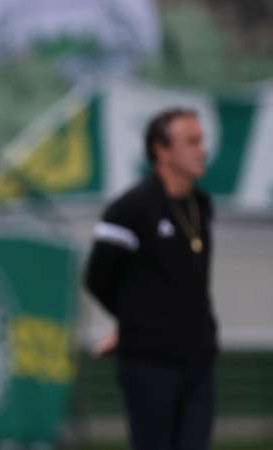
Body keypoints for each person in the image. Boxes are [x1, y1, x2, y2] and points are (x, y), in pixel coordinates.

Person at [84, 108, 217, 450]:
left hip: (198, 360)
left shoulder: (201, 206)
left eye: (201, 141)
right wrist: (133, 322)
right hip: (150, 363)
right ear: (161, 149)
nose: (201, 149)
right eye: (191, 141)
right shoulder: (130, 209)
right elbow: (98, 278)